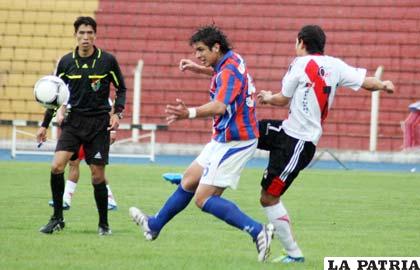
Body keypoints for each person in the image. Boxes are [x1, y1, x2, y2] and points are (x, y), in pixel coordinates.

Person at [129, 25, 274, 262]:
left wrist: (190, 113)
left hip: (236, 141)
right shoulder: (232, 60)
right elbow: (224, 76)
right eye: (196, 51)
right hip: (223, 138)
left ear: (216, 47)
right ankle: (154, 225)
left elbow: (219, 106)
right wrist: (199, 69)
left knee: (203, 198)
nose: (198, 55)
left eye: (201, 50)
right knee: (189, 180)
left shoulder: (227, 71)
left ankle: (258, 231)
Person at [256, 25, 395, 263]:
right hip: (287, 130)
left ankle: (294, 254)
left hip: (298, 143)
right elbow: (366, 81)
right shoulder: (335, 65)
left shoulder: (299, 64)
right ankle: (204, 174)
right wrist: (384, 85)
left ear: (301, 42)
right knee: (242, 132)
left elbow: (283, 99)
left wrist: (268, 98)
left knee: (268, 198)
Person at [37, 16, 126, 236]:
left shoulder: (107, 61)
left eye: (89, 33)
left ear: (95, 35)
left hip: (98, 124)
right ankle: (57, 218)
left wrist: (117, 114)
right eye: (81, 33)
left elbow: (121, 89)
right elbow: (55, 96)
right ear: (75, 35)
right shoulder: (66, 62)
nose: (85, 38)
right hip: (73, 122)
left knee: (97, 175)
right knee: (57, 166)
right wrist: (44, 125)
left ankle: (103, 224)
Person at [39, 109, 118, 211]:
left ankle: (109, 199)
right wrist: (58, 117)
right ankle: (66, 199)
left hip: (95, 131)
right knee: (74, 162)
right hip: (77, 130)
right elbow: (58, 106)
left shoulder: (97, 94)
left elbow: (109, 108)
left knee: (96, 168)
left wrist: (112, 131)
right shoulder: (69, 95)